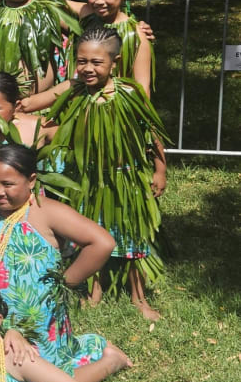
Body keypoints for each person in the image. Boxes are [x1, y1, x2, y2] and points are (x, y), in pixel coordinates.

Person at [0, 144, 133, 382]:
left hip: (40, 322)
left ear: (31, 180)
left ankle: (110, 363)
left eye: (8, 184)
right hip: (4, 321)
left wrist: (67, 281)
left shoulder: (45, 211)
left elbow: (102, 242)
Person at [47, 28, 168, 320]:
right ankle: (94, 290)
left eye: (96, 62)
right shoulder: (75, 94)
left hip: (125, 177)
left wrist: (160, 169)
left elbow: (151, 134)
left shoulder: (129, 95)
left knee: (132, 236)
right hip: (88, 178)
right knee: (90, 232)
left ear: (115, 62)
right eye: (81, 61)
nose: (87, 68)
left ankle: (139, 298)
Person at [23, 0, 155, 112]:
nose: (99, 1)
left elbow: (142, 89)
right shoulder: (87, 13)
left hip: (112, 110)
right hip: (78, 103)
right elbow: (51, 2)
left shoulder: (136, 36)